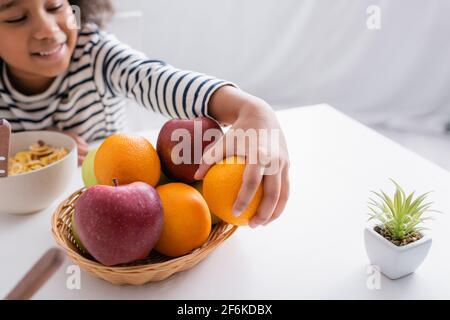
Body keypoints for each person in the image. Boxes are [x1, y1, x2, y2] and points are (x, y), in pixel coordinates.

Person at [0, 0, 289, 227]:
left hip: (117, 197)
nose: (48, 30)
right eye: (15, 17)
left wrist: (250, 109)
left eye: (55, 6)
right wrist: (40, 148)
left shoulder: (96, 54)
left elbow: (155, 79)